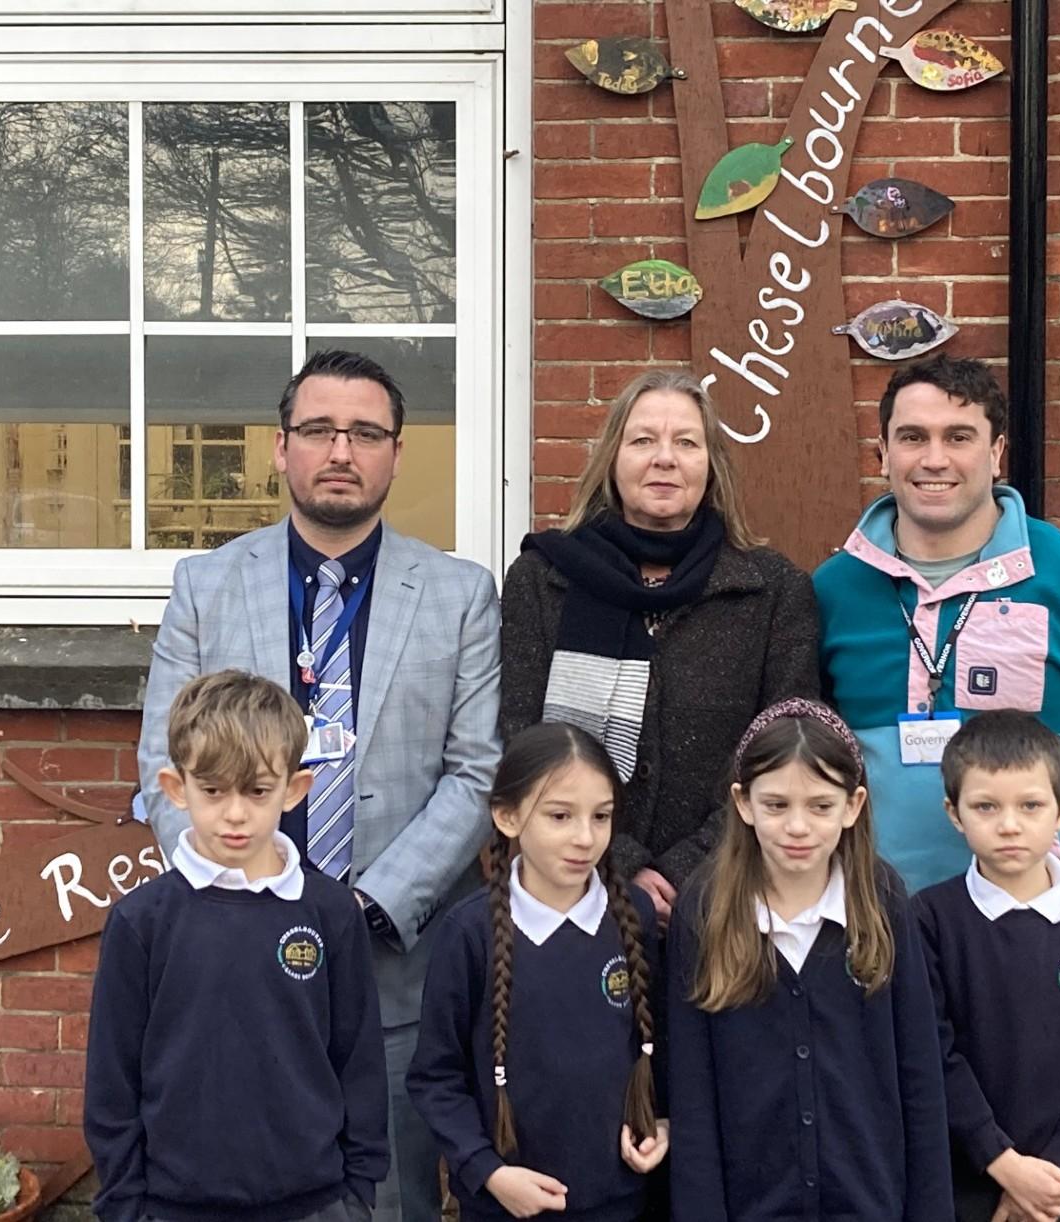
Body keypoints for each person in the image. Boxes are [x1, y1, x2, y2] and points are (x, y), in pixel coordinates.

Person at [136, 349, 502, 1222]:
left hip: (393, 956)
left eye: (366, 433)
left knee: (392, 1192)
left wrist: (368, 905)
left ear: (397, 453)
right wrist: (232, 890)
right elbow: (163, 764)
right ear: (279, 447)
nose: (341, 451)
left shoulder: (459, 595)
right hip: (231, 952)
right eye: (319, 431)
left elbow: (477, 768)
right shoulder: (205, 585)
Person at [813, 354, 1060, 891]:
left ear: (996, 454)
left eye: (959, 437)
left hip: (1029, 920)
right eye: (913, 437)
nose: (934, 459)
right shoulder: (833, 591)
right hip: (876, 919)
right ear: (883, 453)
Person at [500, 369, 819, 923]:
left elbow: (783, 756)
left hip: (729, 899)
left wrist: (684, 872)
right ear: (612, 460)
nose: (664, 458)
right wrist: (619, 862)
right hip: (575, 891)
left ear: (711, 465)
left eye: (687, 443)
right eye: (643, 440)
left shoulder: (773, 590)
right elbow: (522, 740)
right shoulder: (541, 580)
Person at [86, 669, 388, 1222]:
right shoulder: (141, 923)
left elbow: (360, 1062)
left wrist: (358, 1192)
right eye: (213, 789)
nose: (234, 813)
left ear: (294, 790)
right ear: (176, 789)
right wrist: (126, 1206)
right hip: (175, 1206)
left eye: (256, 790)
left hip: (316, 1204)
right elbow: (112, 1084)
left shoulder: (329, 913)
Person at [666, 698, 952, 1222]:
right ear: (744, 803)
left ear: (853, 804)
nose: (798, 827)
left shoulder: (882, 900)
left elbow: (919, 1073)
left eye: (820, 806)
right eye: (776, 805)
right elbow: (691, 1090)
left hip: (870, 1202)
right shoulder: (705, 909)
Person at [407, 722, 667, 1222]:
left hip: (620, 1200)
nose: (584, 837)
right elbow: (435, 1077)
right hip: (506, 1206)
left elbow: (661, 1046)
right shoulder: (469, 932)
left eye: (602, 816)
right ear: (507, 816)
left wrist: (662, 1123)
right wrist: (489, 1171)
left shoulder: (632, 912)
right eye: (560, 816)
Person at [912, 711, 1060, 1222]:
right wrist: (1001, 1163)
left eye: (1030, 805)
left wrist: (1053, 1174)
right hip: (961, 1180)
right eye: (986, 806)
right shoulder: (928, 918)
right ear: (955, 812)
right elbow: (932, 1052)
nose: (1009, 824)